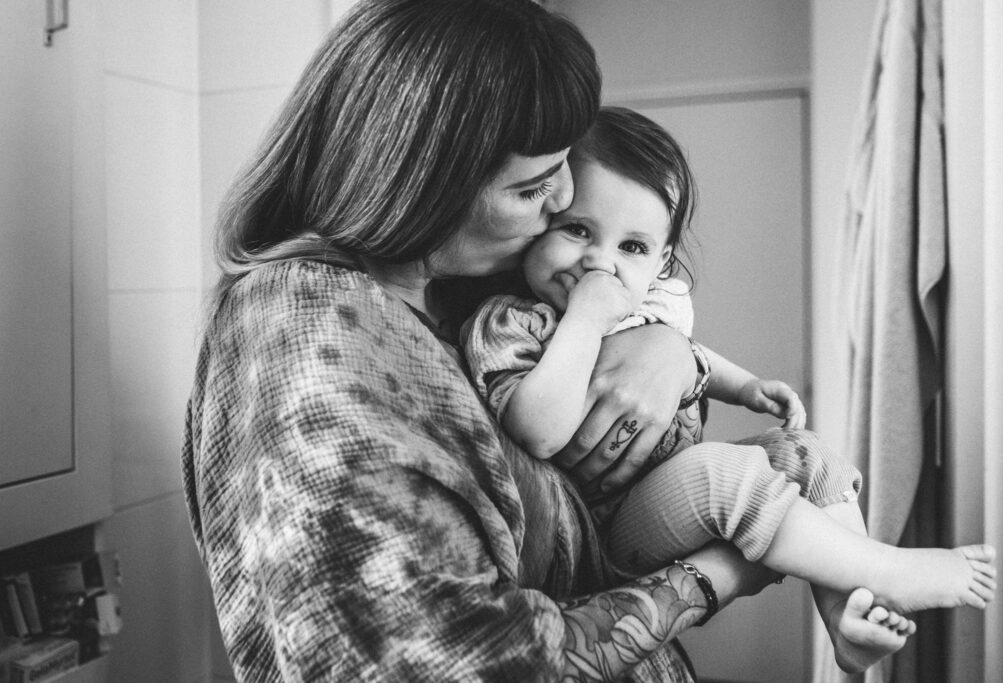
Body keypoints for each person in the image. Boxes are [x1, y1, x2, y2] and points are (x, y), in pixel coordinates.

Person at [181, 1, 921, 680]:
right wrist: (717, 572)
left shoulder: (437, 288)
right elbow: (481, 662)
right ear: (422, 189)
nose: (565, 199)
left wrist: (669, 349)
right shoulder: (312, 339)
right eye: (534, 187)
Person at [462, 106, 996, 619]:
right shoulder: (513, 323)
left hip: (663, 490)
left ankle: (846, 614)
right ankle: (886, 570)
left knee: (805, 454)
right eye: (577, 230)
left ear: (661, 261)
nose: (600, 262)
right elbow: (538, 432)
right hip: (604, 530)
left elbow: (690, 353)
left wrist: (745, 387)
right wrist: (583, 319)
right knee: (725, 473)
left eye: (632, 246)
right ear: (542, 219)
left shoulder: (648, 305)